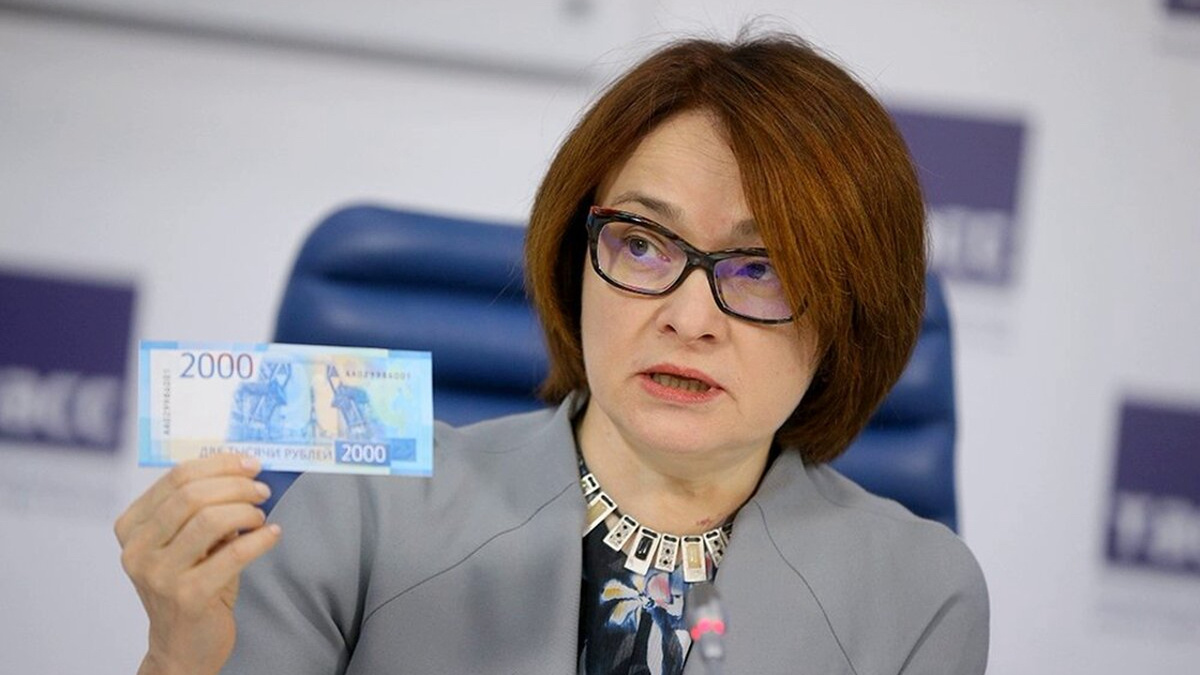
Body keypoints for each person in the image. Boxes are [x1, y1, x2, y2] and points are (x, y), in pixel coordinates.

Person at [115, 32, 989, 675]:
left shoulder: (921, 593)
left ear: (846, 317)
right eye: (641, 242)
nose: (689, 317)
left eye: (760, 268)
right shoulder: (364, 508)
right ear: (577, 262)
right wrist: (179, 657)